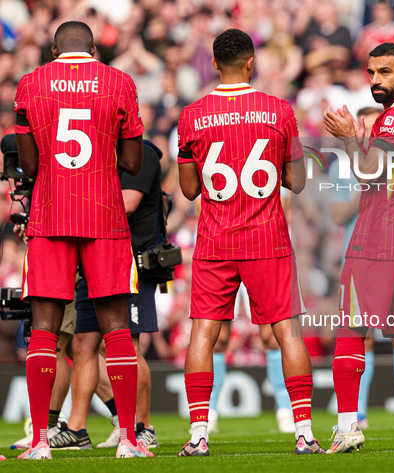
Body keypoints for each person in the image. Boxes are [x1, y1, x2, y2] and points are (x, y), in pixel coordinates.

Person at [176, 28, 323, 456]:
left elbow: (188, 190)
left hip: (215, 239)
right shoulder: (279, 110)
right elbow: (296, 181)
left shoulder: (192, 115)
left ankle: (199, 435)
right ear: (251, 63)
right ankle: (304, 432)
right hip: (268, 238)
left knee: (203, 333)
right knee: (287, 332)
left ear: (215, 65)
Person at [14, 21, 152, 459]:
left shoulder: (30, 83)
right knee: (116, 331)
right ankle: (129, 439)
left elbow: (29, 165)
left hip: (50, 214)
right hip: (105, 216)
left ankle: (39, 441)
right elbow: (133, 161)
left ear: (55, 49)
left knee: (43, 331)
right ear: (93, 48)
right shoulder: (119, 81)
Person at [324, 42, 394, 453]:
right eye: (371, 72)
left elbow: (368, 175)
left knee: (351, 332)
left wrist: (348, 139)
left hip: (377, 238)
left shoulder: (393, 120)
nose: (375, 81)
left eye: (385, 73)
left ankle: (347, 427)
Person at [48, 140, 164, 450]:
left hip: (131, 261)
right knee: (83, 344)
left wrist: (74, 204)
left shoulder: (144, 153)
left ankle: (142, 426)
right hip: (93, 256)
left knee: (129, 345)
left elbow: (128, 202)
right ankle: (76, 429)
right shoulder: (100, 152)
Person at [209, 284, 295, 434]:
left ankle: (284, 411)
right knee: (218, 341)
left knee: (272, 339)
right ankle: (209, 414)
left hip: (257, 263)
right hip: (226, 263)